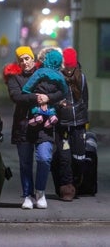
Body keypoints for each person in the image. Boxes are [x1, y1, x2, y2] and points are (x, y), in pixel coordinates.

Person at [3, 46, 64, 209]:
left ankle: (40, 192)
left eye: (27, 58)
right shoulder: (14, 78)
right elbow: (16, 96)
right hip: (23, 126)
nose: (24, 62)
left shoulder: (44, 73)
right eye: (21, 60)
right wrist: (37, 98)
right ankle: (28, 195)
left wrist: (48, 97)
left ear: (32, 59)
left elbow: (59, 91)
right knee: (25, 163)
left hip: (43, 126)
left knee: (44, 158)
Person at [51, 47, 89, 201]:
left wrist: (84, 118)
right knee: (64, 157)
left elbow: (85, 100)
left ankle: (76, 183)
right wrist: (59, 105)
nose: (68, 70)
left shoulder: (82, 78)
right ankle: (66, 187)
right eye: (66, 67)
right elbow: (53, 99)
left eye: (71, 67)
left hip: (79, 123)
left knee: (79, 157)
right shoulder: (57, 78)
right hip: (63, 125)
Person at [22, 48, 67, 128]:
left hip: (39, 94)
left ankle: (37, 116)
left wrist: (26, 90)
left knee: (35, 105)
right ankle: (52, 116)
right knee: (52, 106)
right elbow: (64, 89)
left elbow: (31, 82)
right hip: (51, 97)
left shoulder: (41, 71)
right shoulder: (60, 75)